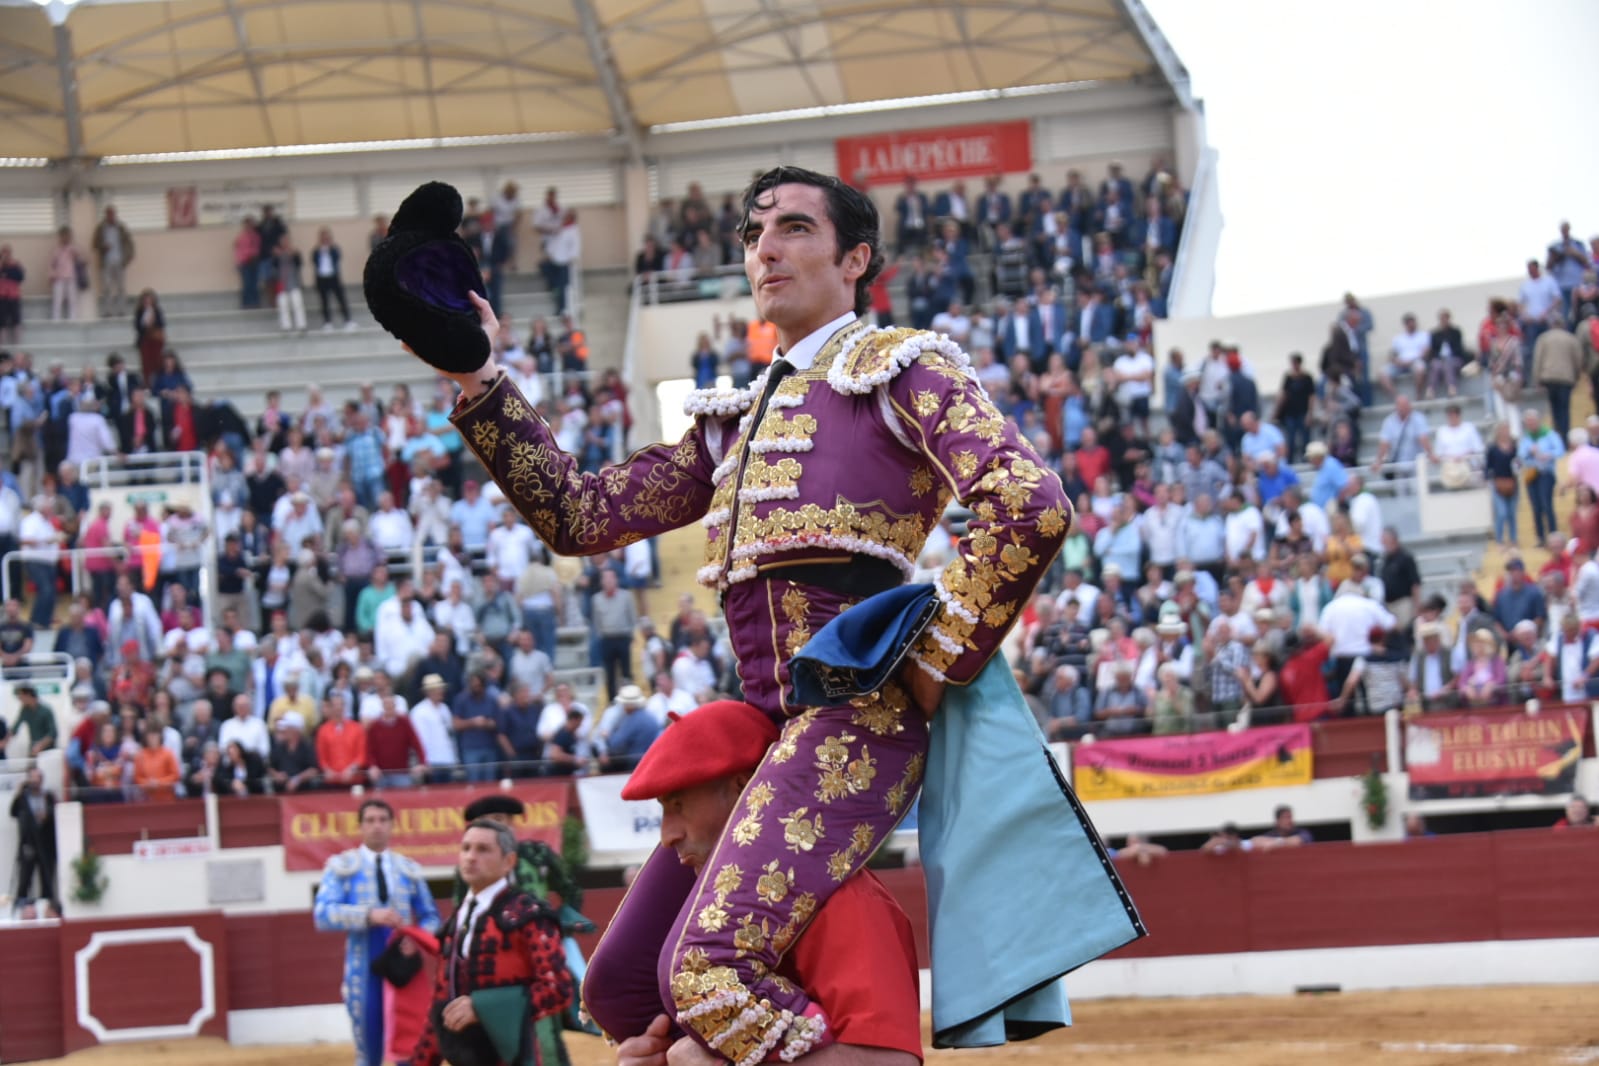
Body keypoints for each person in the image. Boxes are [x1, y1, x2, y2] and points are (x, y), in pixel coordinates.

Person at [427, 167, 1066, 1060]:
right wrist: (480, 376)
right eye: (753, 233)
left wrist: (933, 660)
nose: (765, 248)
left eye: (795, 228)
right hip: (761, 730)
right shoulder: (732, 422)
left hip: (852, 724)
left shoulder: (903, 371)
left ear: (855, 260)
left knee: (707, 970)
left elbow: (1027, 503)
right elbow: (580, 516)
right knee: (617, 982)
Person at [604, 700, 923, 1066]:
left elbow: (892, 1063)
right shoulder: (703, 909)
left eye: (679, 805)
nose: (667, 835)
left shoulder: (845, 899)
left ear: (743, 789)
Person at [410, 820, 572, 1066]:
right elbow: (441, 1001)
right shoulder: (457, 919)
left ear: (509, 861)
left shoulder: (528, 915)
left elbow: (557, 987)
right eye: (466, 848)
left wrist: (484, 1008)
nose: (471, 857)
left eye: (483, 850)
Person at [313, 798, 441, 1066]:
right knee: (368, 1051)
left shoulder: (409, 869)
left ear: (392, 825)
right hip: (363, 967)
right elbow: (322, 914)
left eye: (383, 820)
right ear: (360, 826)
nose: (377, 826)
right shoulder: (342, 867)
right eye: (370, 821)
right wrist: (368, 915)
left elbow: (431, 917)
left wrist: (416, 940)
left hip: (403, 964)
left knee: (409, 1046)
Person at [9, 766, 56, 905]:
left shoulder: (48, 796)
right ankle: (22, 908)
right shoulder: (23, 798)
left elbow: (55, 814)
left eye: (38, 777)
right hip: (28, 843)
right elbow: (13, 812)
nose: (35, 781)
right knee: (25, 879)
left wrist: (46, 816)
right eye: (33, 778)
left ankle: (46, 906)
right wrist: (18, 793)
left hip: (45, 844)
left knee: (46, 877)